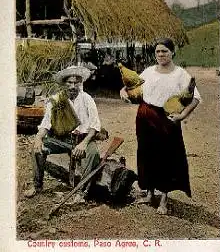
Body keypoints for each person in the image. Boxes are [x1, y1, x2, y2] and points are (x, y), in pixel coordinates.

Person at [120, 38, 201, 214]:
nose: (161, 55)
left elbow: (195, 98)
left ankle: (163, 199)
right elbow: (131, 86)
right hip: (144, 117)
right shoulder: (149, 72)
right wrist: (123, 91)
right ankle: (149, 194)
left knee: (166, 157)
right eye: (158, 51)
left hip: (167, 119)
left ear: (172, 52)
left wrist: (182, 115)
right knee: (146, 154)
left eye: (164, 51)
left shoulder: (180, 74)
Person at [24, 65, 101, 204]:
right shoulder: (56, 100)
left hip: (83, 139)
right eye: (69, 82)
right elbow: (46, 124)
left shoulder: (87, 99)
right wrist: (38, 139)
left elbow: (95, 126)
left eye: (76, 82)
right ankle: (37, 186)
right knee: (37, 149)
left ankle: (82, 191)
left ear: (80, 83)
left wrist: (83, 144)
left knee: (93, 154)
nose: (72, 86)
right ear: (64, 83)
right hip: (63, 139)